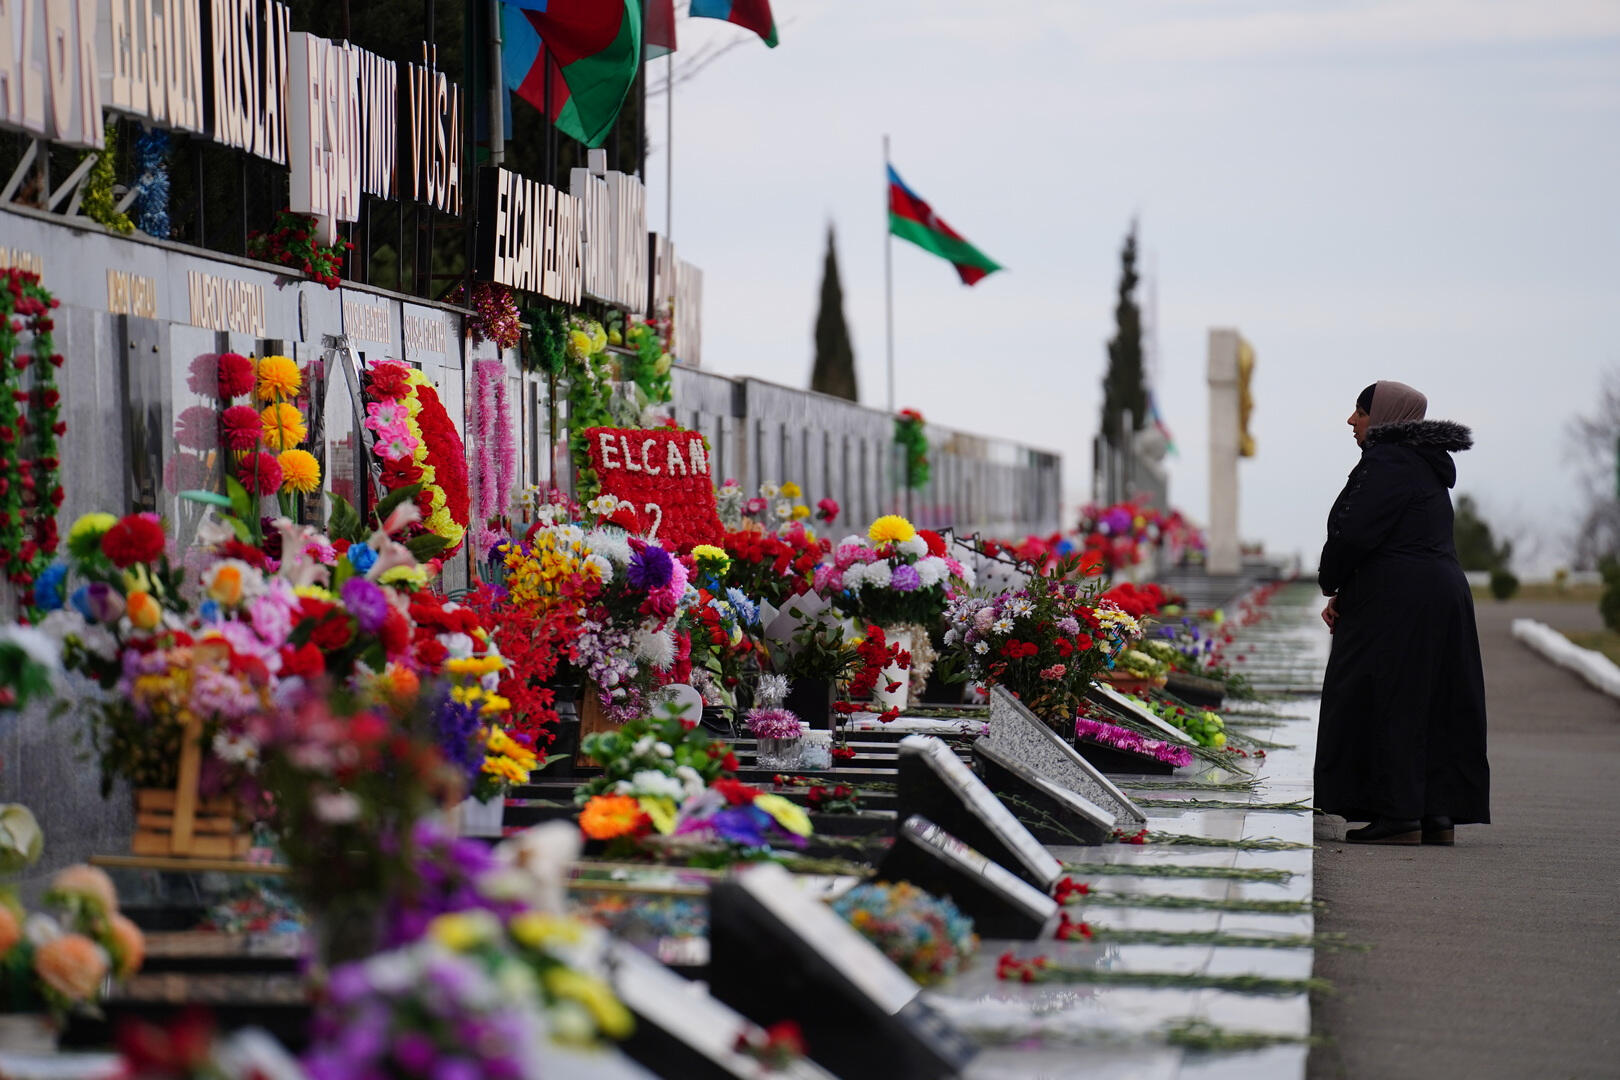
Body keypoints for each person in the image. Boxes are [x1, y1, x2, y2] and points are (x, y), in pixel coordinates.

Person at [1316, 381, 1490, 845]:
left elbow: (1355, 533)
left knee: (1390, 697)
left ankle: (1398, 815)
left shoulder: (1389, 460)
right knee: (1432, 701)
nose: (1352, 421)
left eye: (1360, 412)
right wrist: (1348, 593)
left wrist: (1331, 580)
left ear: (1385, 418)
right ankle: (1435, 814)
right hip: (1437, 594)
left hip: (1400, 602)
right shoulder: (1422, 462)